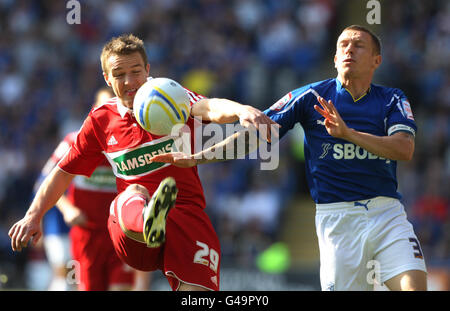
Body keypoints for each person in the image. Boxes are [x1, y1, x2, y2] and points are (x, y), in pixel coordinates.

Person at [152, 25, 428, 291]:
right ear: (334, 58)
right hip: (337, 219)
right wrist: (198, 157)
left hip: (386, 214)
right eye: (343, 45)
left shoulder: (392, 99)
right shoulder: (310, 97)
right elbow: (255, 135)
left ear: (376, 60)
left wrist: (348, 133)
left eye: (358, 45)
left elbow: (404, 148)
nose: (349, 50)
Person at [8, 34, 276, 291]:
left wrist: (240, 110)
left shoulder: (170, 95)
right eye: (119, 74)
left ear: (148, 69)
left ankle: (156, 218)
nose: (129, 81)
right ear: (107, 78)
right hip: (131, 228)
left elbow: (208, 107)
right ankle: (149, 217)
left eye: (136, 71)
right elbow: (63, 172)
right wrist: (33, 215)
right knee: (135, 192)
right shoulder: (101, 120)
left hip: (186, 215)